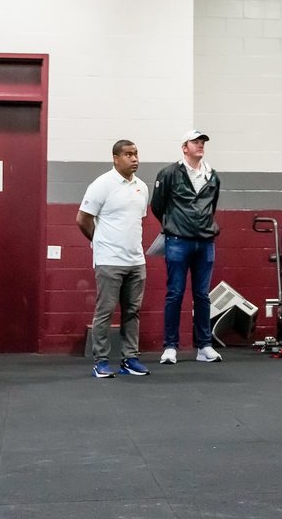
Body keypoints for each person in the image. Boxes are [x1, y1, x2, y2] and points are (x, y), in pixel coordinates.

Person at [77, 140, 151, 378]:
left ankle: (130, 359)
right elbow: (83, 219)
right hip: (109, 261)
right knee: (105, 311)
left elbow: (136, 220)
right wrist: (98, 242)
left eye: (136, 154)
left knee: (132, 311)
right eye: (128, 154)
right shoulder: (102, 185)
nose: (134, 158)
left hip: (136, 261)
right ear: (115, 158)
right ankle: (101, 361)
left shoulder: (142, 187)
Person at [151, 130, 223, 364]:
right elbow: (157, 206)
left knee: (202, 295)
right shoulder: (169, 173)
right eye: (196, 142)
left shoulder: (212, 176)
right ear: (184, 147)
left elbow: (211, 207)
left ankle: (204, 346)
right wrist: (175, 225)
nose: (200, 145)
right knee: (175, 293)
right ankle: (170, 347)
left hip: (205, 242)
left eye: (202, 142)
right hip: (177, 241)